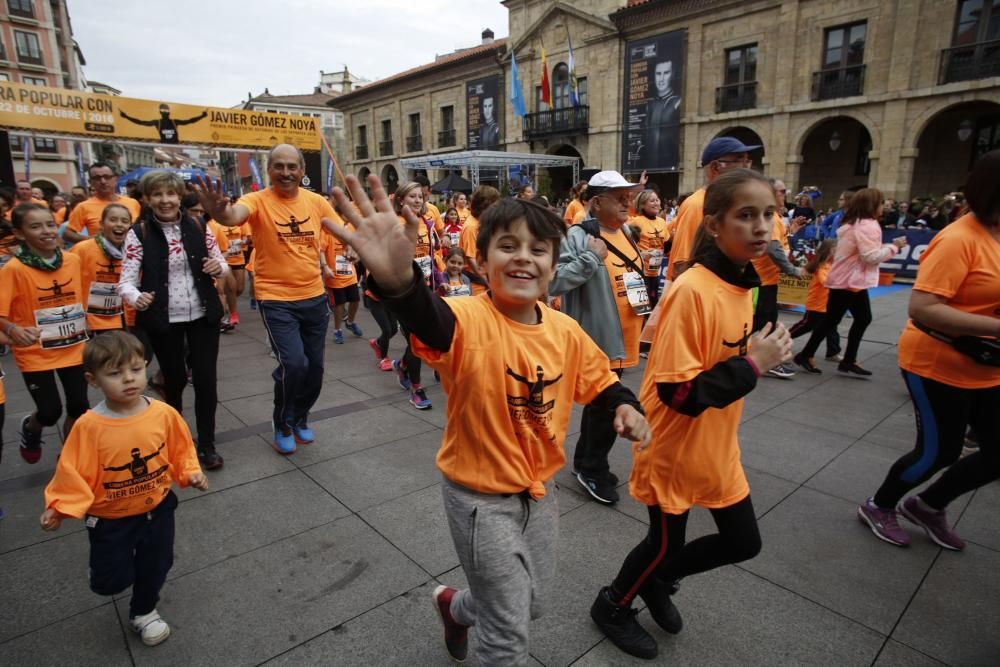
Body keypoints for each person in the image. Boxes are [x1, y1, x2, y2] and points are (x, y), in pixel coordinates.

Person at [326, 175, 651, 665]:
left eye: (539, 249)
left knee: (531, 602)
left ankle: (455, 608)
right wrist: (398, 282)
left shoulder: (565, 331)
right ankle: (478, 621)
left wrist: (626, 405)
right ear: (482, 262)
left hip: (540, 495)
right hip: (479, 500)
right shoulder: (466, 319)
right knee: (506, 634)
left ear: (553, 265)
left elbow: (601, 381)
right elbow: (428, 317)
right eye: (507, 246)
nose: (524, 256)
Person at [592, 169, 792, 659]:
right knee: (662, 544)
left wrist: (761, 350)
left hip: (717, 445)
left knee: (743, 542)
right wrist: (753, 364)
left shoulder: (742, 284)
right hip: (674, 445)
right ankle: (613, 603)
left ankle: (657, 582)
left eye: (769, 214)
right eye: (746, 216)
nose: (762, 227)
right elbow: (678, 393)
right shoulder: (692, 291)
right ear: (715, 226)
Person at [857, 149, 1000, 550]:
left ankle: (930, 504)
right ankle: (879, 504)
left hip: (989, 369)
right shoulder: (958, 239)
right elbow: (923, 307)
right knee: (939, 451)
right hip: (937, 363)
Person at [39, 331, 208, 647]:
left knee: (158, 563)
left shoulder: (163, 413)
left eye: (135, 369)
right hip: (109, 518)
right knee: (111, 581)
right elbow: (72, 469)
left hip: (157, 508)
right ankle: (106, 572)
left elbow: (180, 448)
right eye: (115, 373)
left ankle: (143, 612)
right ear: (93, 380)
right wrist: (58, 506)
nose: (128, 379)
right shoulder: (89, 426)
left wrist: (190, 473)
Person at [194, 144, 336, 455]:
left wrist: (365, 242)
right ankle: (283, 421)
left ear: (302, 170)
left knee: (315, 370)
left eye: (292, 167)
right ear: (269, 169)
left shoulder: (316, 202)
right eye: (279, 166)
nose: (286, 173)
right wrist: (220, 212)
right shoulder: (256, 200)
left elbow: (341, 230)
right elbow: (233, 216)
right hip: (276, 298)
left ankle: (300, 416)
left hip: (314, 297)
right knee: (293, 364)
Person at [119, 171, 228, 470]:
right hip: (164, 317)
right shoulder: (138, 233)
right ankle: (177, 441)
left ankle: (207, 444)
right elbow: (125, 281)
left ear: (179, 196)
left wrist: (216, 267)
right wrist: (134, 297)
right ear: (147, 198)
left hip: (203, 315)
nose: (165, 200)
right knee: (175, 380)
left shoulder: (199, 224)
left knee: (206, 381)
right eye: (158, 194)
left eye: (170, 194)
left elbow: (223, 263)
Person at [549, 170, 646, 505]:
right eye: (620, 197)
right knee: (605, 407)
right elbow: (554, 281)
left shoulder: (626, 231)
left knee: (599, 408)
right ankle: (592, 468)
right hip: (598, 340)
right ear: (596, 202)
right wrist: (591, 258)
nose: (627, 202)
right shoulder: (578, 235)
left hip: (626, 336)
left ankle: (586, 463)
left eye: (629, 196)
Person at [0, 204, 90, 464]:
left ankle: (70, 455)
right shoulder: (14, 269)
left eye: (50, 224)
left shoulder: (73, 260)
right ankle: (31, 427)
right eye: (35, 226)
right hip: (36, 352)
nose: (47, 231)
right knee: (50, 411)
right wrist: (13, 329)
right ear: (20, 233)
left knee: (79, 406)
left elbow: (82, 298)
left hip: (73, 347)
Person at [793, 188, 907, 376]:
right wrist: (894, 247)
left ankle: (842, 359)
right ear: (872, 205)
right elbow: (870, 257)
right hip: (850, 280)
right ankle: (814, 355)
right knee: (836, 320)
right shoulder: (867, 226)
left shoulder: (855, 224)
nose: (883, 207)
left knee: (849, 319)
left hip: (850, 280)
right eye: (881, 203)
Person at [666, 137, 762, 281]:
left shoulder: (730, 203)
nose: (747, 167)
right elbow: (682, 265)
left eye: (748, 161)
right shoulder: (697, 205)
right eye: (740, 160)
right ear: (716, 167)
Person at [391, 182, 444, 410]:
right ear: (401, 200)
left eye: (420, 196)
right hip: (405, 294)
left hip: (429, 289)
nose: (417, 200)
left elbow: (436, 253)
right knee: (416, 340)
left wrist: (441, 277)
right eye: (412, 196)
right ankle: (416, 389)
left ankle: (402, 365)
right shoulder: (395, 225)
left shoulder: (427, 223)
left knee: (424, 338)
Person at [751, 178, 806, 379]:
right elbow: (773, 249)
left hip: (767, 280)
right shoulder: (771, 217)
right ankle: (768, 361)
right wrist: (793, 270)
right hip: (762, 281)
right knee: (765, 321)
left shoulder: (775, 218)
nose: (786, 195)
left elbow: (778, 244)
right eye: (782, 191)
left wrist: (791, 231)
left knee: (760, 321)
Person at [70, 202, 132, 333]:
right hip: (92, 321)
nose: (119, 224)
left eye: (125, 221)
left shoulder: (132, 251)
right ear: (102, 224)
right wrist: (80, 318)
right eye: (113, 220)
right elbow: (71, 286)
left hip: (123, 319)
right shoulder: (82, 249)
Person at [788, 239, 842, 363]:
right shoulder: (821, 265)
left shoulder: (833, 264)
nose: (838, 252)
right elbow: (826, 282)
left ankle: (833, 352)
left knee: (832, 327)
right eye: (836, 249)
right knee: (806, 326)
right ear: (829, 251)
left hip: (828, 304)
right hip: (817, 304)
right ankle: (783, 338)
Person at [64, 162, 142, 244]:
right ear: (91, 182)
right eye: (97, 178)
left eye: (107, 177)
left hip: (132, 254)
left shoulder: (133, 203)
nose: (103, 181)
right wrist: (91, 240)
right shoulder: (83, 206)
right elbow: (67, 234)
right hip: (99, 254)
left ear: (116, 178)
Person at [320, 214, 363, 345]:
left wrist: (356, 256)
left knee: (355, 300)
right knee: (339, 305)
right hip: (335, 277)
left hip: (350, 274)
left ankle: (350, 322)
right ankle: (337, 330)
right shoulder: (327, 232)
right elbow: (320, 250)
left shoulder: (349, 230)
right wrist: (325, 267)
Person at [459, 185, 501, 295]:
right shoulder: (471, 227)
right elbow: (470, 258)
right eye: (495, 204)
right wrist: (486, 281)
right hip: (476, 282)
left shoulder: (481, 222)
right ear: (485, 205)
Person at [630, 189, 668, 307]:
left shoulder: (662, 222)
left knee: (652, 306)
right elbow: (626, 246)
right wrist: (642, 253)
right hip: (639, 272)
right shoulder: (635, 222)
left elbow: (665, 244)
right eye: (652, 201)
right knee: (639, 309)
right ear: (642, 205)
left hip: (655, 272)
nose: (656, 203)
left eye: (657, 200)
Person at [641, 59, 682, 170]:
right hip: (649, 162)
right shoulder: (649, 104)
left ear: (672, 74)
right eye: (658, 74)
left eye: (666, 73)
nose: (662, 79)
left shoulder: (677, 101)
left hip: (670, 160)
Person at [119, 104, 208, 144]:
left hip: (175, 145)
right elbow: (140, 122)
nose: (165, 112)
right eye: (163, 111)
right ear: (160, 112)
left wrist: (202, 116)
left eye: (166, 111)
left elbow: (190, 121)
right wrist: (126, 117)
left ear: (169, 112)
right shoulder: (157, 122)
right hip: (164, 145)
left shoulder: (174, 121)